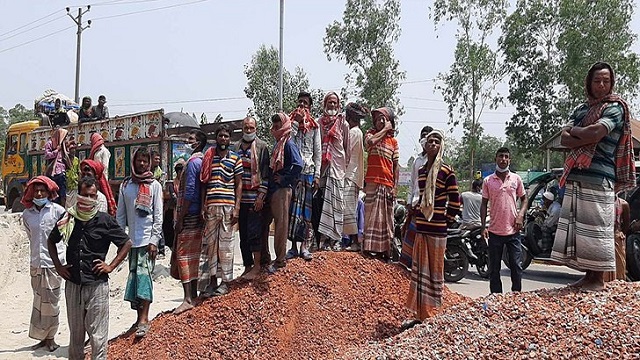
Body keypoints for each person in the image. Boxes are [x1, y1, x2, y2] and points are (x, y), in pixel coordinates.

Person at [552, 62, 636, 291]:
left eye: (605, 81)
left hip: (600, 176)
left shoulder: (616, 108)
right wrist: (584, 135)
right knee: (581, 229)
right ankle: (589, 276)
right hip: (578, 175)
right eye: (597, 81)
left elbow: (597, 132)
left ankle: (598, 279)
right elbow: (564, 139)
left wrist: (578, 133)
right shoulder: (581, 109)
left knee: (597, 228)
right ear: (589, 83)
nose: (601, 85)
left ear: (612, 83)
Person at [47, 176, 132, 360]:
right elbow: (51, 241)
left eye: (93, 196)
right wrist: (58, 267)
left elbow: (126, 243)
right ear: (79, 195)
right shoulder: (68, 218)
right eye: (85, 195)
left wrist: (111, 265)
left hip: (97, 286)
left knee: (98, 337)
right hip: (74, 285)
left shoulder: (105, 220)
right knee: (76, 337)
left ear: (97, 196)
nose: (89, 199)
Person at [403, 129, 460, 329]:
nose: (433, 144)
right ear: (425, 146)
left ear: (441, 146)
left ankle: (434, 314)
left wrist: (447, 219)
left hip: (437, 229)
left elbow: (455, 199)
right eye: (430, 141)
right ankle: (421, 315)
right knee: (419, 272)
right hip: (422, 226)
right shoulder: (421, 171)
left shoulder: (446, 171)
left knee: (435, 272)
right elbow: (421, 196)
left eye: (437, 141)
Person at [116, 147, 163, 338]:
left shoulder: (154, 186)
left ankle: (144, 319)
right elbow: (120, 215)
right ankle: (138, 318)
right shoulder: (126, 185)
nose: (142, 164)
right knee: (134, 279)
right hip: (131, 242)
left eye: (145, 161)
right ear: (133, 162)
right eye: (139, 161)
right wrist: (121, 240)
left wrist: (154, 240)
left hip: (147, 241)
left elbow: (158, 216)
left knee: (145, 278)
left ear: (149, 162)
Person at [21, 176, 66, 352]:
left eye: (42, 190)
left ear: (49, 192)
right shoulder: (27, 214)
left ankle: (51, 338)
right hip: (36, 264)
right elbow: (31, 237)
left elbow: (63, 237)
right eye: (36, 191)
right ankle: (41, 337)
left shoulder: (58, 211)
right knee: (39, 302)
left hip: (53, 264)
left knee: (52, 303)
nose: (39, 193)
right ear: (31, 193)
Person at [199, 125, 243, 296]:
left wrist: (237, 207)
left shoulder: (235, 158)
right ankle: (212, 282)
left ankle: (225, 282)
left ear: (229, 139)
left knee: (226, 246)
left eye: (226, 136)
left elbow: (238, 184)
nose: (223, 139)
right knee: (211, 246)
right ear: (216, 138)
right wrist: (204, 204)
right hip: (211, 205)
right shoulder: (209, 157)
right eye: (220, 136)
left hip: (228, 206)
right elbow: (204, 182)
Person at [481, 147, 528, 294]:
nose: (503, 159)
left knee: (516, 265)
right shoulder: (488, 181)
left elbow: (524, 199)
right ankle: (496, 298)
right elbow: (483, 204)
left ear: (509, 160)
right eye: (500, 156)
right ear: (496, 159)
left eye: (506, 156)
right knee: (494, 268)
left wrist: (520, 215)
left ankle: (516, 295)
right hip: (494, 231)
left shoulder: (516, 179)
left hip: (513, 230)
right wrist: (483, 226)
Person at [173, 130, 206, 314]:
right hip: (196, 214)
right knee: (194, 255)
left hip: (189, 214)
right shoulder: (201, 161)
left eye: (191, 140)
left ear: (198, 143)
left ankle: (187, 298)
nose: (188, 142)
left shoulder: (193, 163)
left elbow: (190, 191)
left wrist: (181, 217)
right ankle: (193, 294)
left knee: (184, 256)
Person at [362, 107, 399, 261]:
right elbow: (369, 143)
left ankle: (386, 250)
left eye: (383, 119)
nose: (380, 122)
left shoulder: (394, 142)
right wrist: (385, 130)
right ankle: (369, 248)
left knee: (386, 220)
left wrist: (395, 187)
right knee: (371, 217)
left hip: (387, 184)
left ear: (389, 121)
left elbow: (396, 166)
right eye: (378, 119)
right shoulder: (370, 134)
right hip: (372, 181)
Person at [235, 117, 270, 279]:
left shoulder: (262, 147)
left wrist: (261, 197)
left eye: (251, 128)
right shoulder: (236, 147)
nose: (248, 131)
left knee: (254, 234)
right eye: (246, 128)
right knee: (243, 236)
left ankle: (257, 266)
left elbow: (265, 174)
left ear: (256, 128)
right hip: (240, 200)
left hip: (254, 199)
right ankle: (247, 266)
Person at [268, 113, 303, 272]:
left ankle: (280, 260)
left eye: (278, 127)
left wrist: (283, 179)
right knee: (278, 223)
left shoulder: (288, 144)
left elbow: (298, 165)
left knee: (281, 224)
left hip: (283, 190)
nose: (275, 130)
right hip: (276, 190)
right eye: (274, 127)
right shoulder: (279, 144)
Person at [288, 91, 321, 258]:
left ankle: (305, 247)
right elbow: (287, 141)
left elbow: (318, 152)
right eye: (300, 102)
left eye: (305, 103)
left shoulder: (315, 126)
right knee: (293, 211)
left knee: (306, 212)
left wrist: (317, 176)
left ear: (310, 107)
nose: (301, 106)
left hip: (308, 171)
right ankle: (293, 247)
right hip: (293, 173)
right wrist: (296, 122)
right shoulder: (290, 122)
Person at [316, 92, 351, 250]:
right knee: (323, 204)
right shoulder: (318, 123)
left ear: (338, 105)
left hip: (338, 168)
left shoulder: (343, 123)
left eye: (334, 103)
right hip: (323, 167)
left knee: (337, 205)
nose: (332, 105)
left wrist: (343, 167)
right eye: (329, 102)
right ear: (325, 104)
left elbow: (347, 148)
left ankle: (335, 239)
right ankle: (323, 239)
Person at [400, 125, 433, 269]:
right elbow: (412, 183)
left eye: (428, 136)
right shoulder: (417, 160)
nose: (425, 139)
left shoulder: (435, 161)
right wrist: (409, 202)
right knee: (410, 236)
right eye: (423, 136)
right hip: (414, 205)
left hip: (427, 206)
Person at [342, 103, 368, 251]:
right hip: (352, 174)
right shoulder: (358, 132)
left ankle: (354, 242)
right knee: (349, 208)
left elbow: (346, 153)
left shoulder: (354, 133)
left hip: (349, 174)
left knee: (348, 209)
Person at [604, 195, 630, 282]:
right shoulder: (602, 202)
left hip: (616, 236)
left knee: (619, 265)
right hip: (603, 236)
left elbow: (626, 223)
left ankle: (618, 284)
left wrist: (621, 233)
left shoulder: (623, 204)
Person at [44, 128, 69, 206]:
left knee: (63, 194)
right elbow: (47, 155)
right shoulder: (50, 143)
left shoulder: (63, 145)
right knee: (54, 194)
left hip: (61, 173)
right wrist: (56, 151)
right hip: (53, 173)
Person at [65, 139, 80, 208]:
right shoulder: (65, 159)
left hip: (75, 183)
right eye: (71, 149)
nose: (73, 151)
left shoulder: (76, 159)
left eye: (74, 149)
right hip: (67, 183)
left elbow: (78, 171)